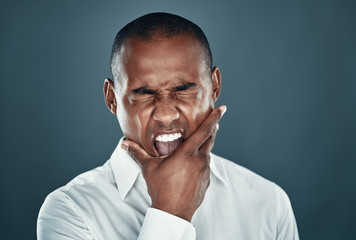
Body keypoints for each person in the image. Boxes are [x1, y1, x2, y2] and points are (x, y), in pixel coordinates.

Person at [37, 12, 299, 240]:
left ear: (215, 87)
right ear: (111, 99)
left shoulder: (269, 203)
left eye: (184, 90)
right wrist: (170, 211)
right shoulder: (69, 212)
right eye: (143, 93)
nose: (165, 115)